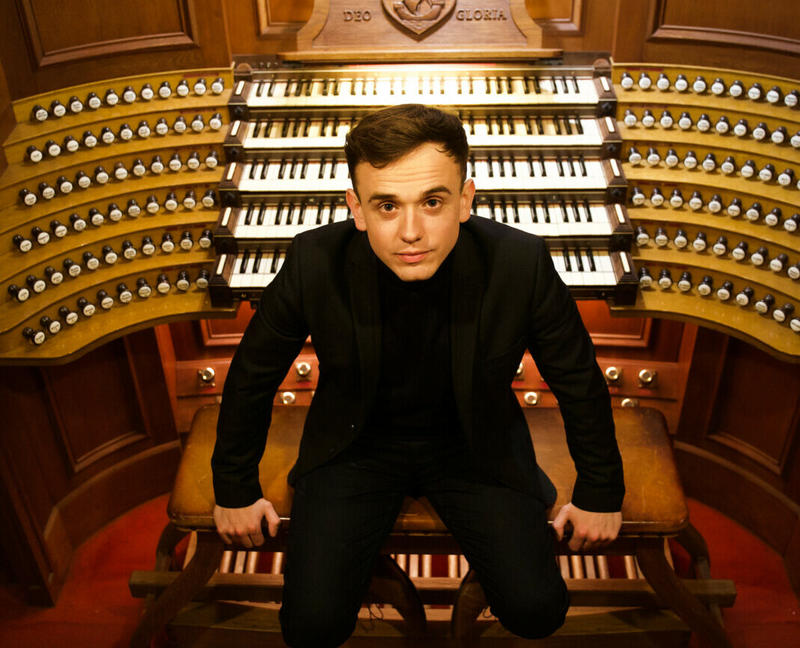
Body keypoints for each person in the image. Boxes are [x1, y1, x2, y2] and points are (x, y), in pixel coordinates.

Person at [212, 103, 624, 647]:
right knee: (310, 627)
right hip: (355, 447)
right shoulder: (315, 259)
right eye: (387, 206)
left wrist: (600, 492)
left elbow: (578, 381)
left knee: (536, 610)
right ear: (356, 208)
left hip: (475, 446)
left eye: (433, 202)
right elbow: (252, 376)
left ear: (467, 199)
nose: (411, 232)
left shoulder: (519, 262)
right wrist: (235, 488)